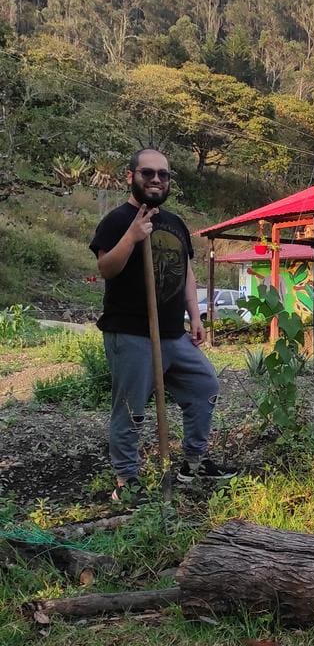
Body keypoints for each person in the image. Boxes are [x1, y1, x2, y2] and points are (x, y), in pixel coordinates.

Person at [89, 149, 236, 502]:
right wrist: (132, 236)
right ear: (131, 176)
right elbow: (106, 268)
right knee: (131, 410)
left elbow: (186, 274)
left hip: (172, 332)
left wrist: (195, 316)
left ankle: (194, 463)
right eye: (148, 173)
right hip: (130, 333)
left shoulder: (175, 223)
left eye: (163, 174)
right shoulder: (116, 221)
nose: (156, 179)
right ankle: (126, 482)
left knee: (204, 386)